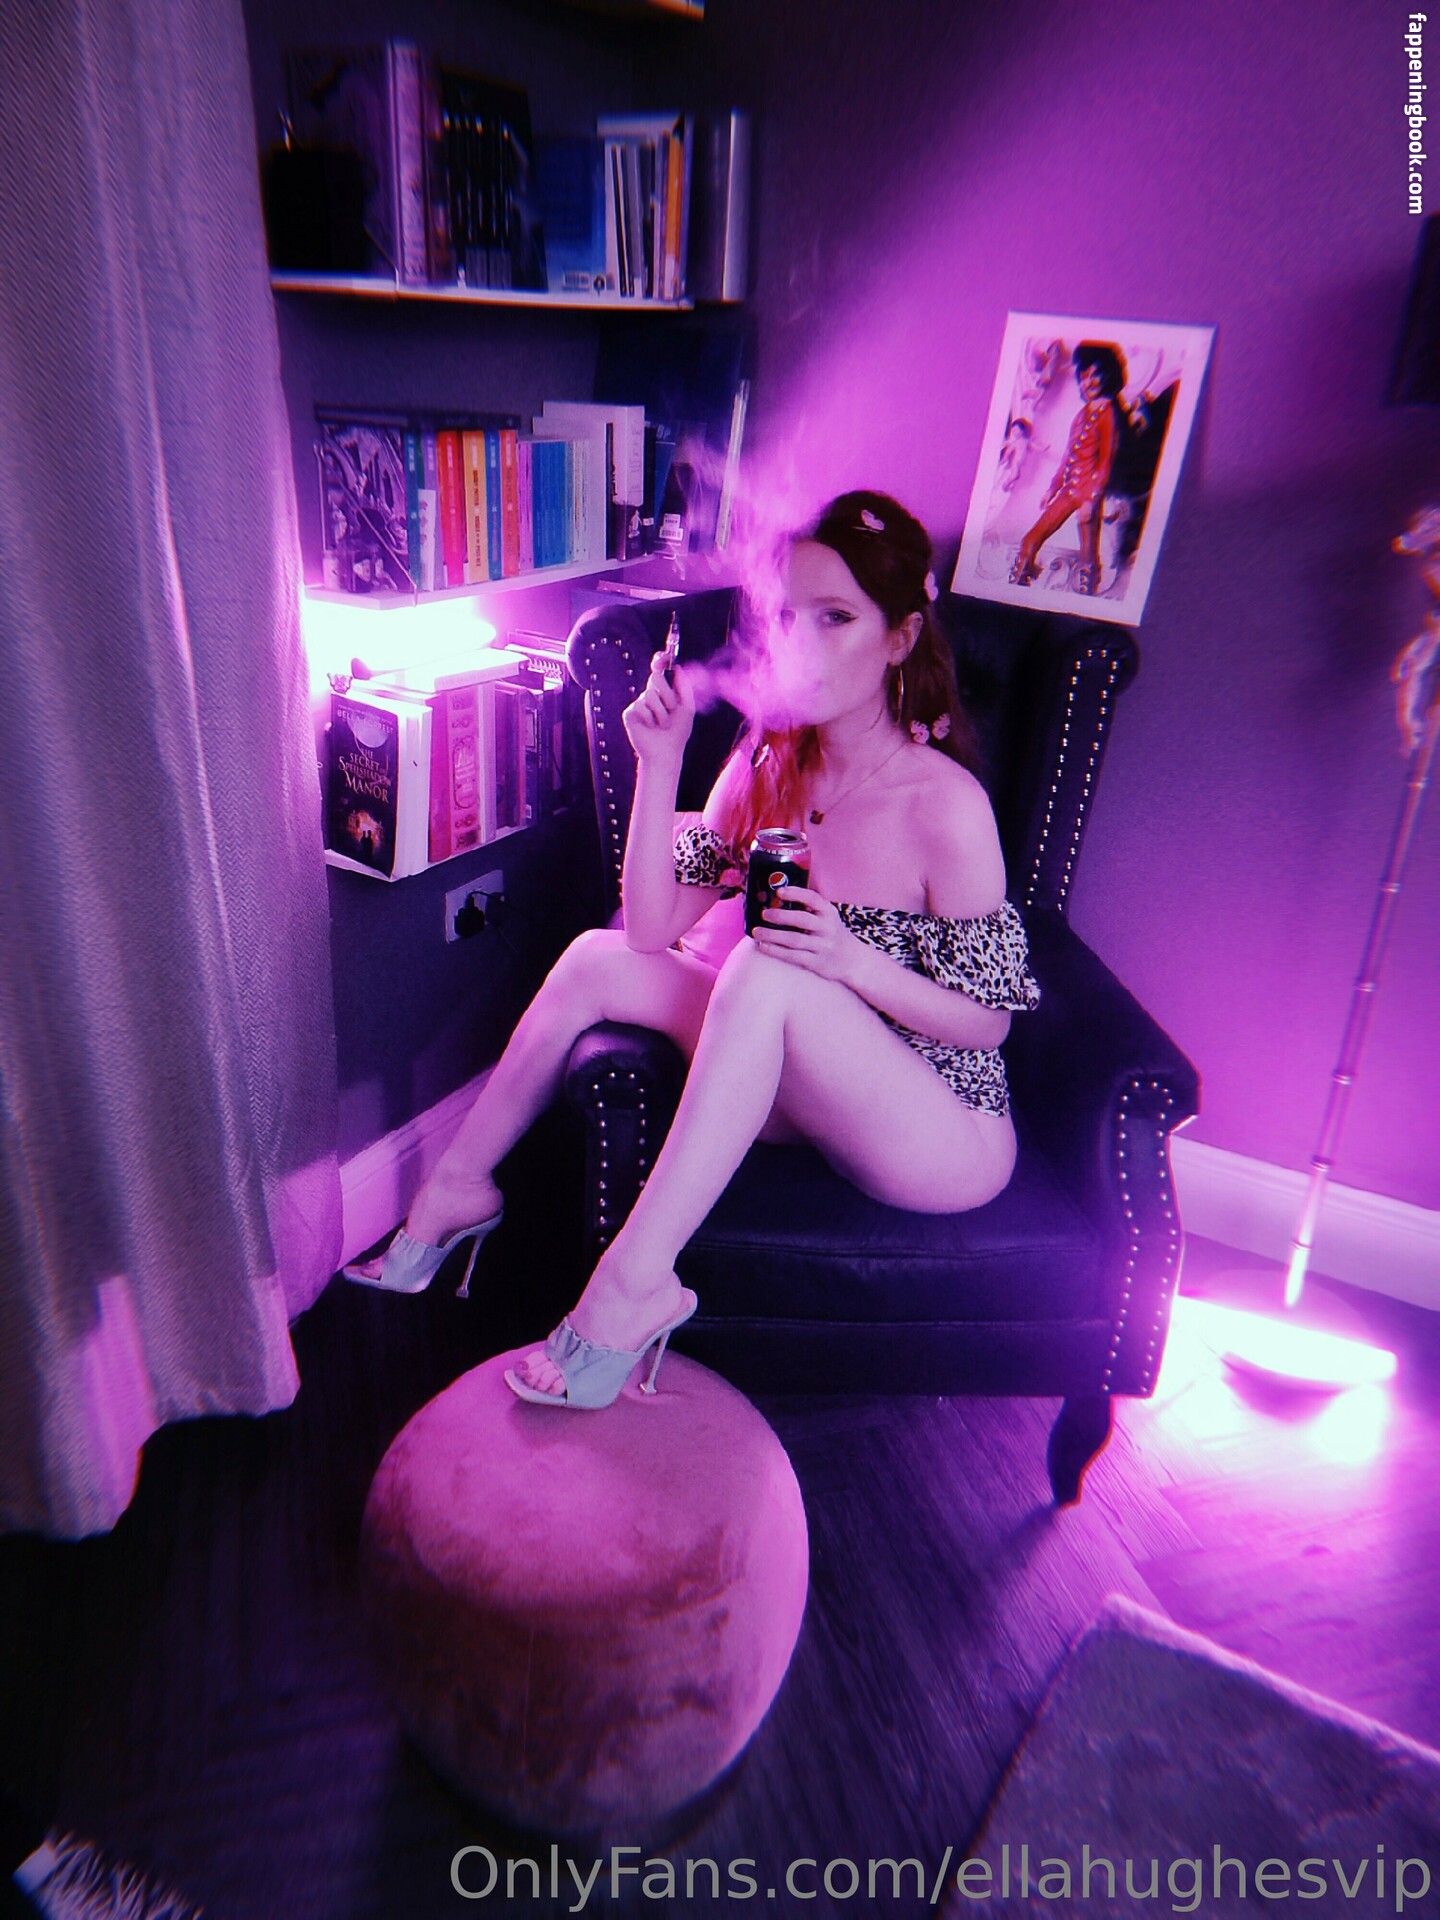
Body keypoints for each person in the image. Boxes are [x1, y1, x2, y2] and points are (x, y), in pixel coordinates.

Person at [345, 490, 1041, 1407]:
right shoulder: (766, 760)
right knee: (596, 959)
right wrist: (661, 761)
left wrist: (850, 961)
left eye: (835, 618)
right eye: (785, 616)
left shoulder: (943, 805)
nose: (799, 643)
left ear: (901, 638)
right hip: (804, 1089)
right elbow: (647, 930)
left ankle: (634, 1286)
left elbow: (988, 1026)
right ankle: (455, 1192)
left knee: (764, 966)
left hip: (939, 1129)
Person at [1009, 342, 1125, 594]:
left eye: (1095, 375)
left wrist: (1091, 499)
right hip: (1069, 491)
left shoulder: (1108, 412)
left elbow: (1106, 460)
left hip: (1089, 493)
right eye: (1084, 377)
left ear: (1107, 375)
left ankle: (1086, 594)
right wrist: (1052, 489)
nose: (1088, 382)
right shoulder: (1081, 415)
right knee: (1030, 540)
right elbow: (1067, 458)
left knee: (1088, 556)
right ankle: (1015, 589)